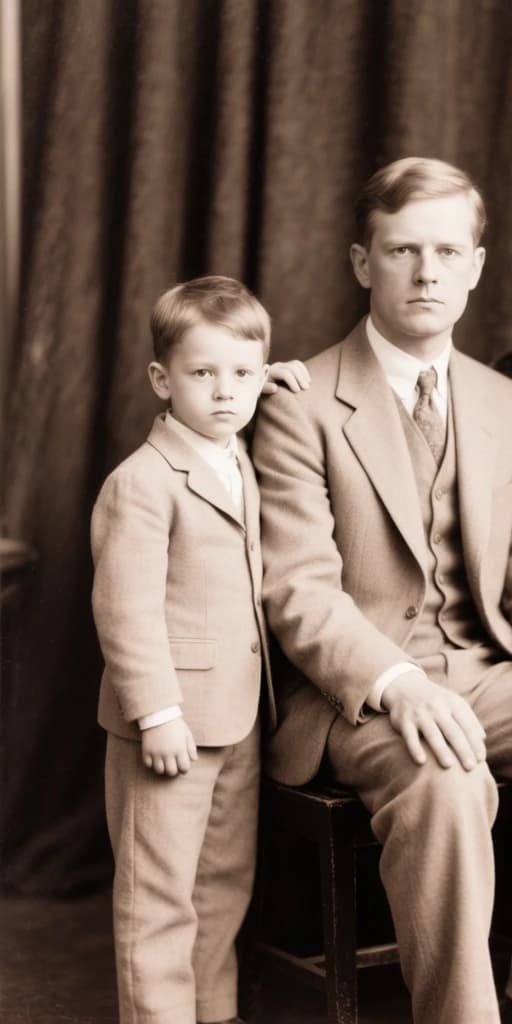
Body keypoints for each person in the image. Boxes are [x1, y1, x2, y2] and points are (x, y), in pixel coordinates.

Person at [251, 157, 512, 1024]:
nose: (427, 271)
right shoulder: (301, 401)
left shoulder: (503, 402)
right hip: (355, 691)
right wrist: (398, 685)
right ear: (364, 262)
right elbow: (298, 591)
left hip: (483, 668)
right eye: (403, 249)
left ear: (476, 264)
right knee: (448, 778)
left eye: (448, 251)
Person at [91, 275, 310, 1024]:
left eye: (242, 375)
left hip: (238, 717)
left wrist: (268, 379)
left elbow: (240, 391)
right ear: (161, 379)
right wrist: (156, 712)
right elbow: (125, 608)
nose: (226, 392)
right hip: (172, 719)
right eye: (202, 374)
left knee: (221, 888)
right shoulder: (143, 483)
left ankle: (211, 1014)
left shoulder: (233, 451)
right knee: (160, 897)